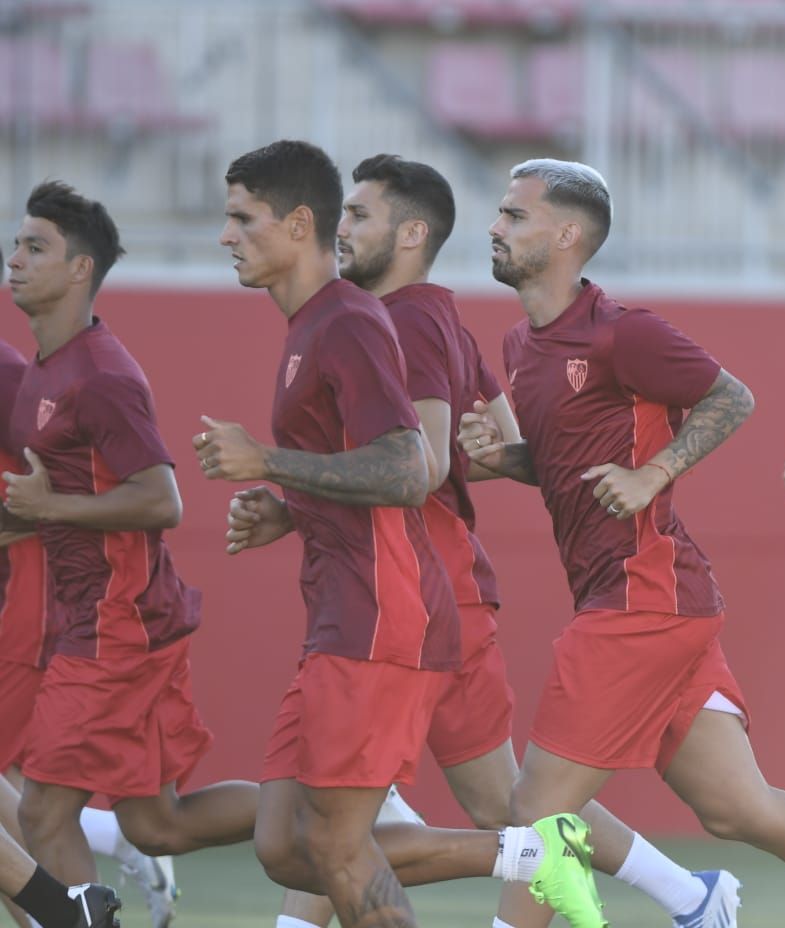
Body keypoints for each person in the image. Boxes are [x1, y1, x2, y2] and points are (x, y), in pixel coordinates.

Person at [460, 157, 785, 928]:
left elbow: (730, 397)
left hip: (642, 599)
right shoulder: (520, 344)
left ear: (567, 235)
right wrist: (502, 461)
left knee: (536, 810)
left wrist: (655, 471)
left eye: (514, 216)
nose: (495, 228)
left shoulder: (621, 334)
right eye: (500, 214)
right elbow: (570, 464)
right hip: (663, 600)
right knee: (741, 808)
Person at [274, 153, 734, 928]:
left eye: (357, 215)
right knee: (492, 803)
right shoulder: (452, 323)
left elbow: (416, 468)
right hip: (408, 584)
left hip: (416, 588)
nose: (339, 229)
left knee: (416, 813)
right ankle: (689, 895)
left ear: (411, 232)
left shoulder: (404, 320)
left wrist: (284, 478)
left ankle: (676, 894)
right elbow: (507, 451)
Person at [204, 140, 605, 928]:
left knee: (341, 846)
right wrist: (290, 504)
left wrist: (269, 460)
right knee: (286, 845)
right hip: (341, 613)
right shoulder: (324, 323)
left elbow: (409, 464)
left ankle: (547, 851)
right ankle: (535, 852)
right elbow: (402, 460)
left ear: (294, 225)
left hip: (378, 615)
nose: (225, 236)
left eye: (240, 218)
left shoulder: (355, 322)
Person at [2, 182, 259, 900]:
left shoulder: (102, 375)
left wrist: (50, 504)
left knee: (45, 811)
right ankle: (338, 811)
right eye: (16, 244)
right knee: (156, 826)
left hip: (116, 624)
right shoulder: (45, 370)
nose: (14, 259)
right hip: (108, 619)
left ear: (80, 269)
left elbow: (161, 499)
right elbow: (58, 507)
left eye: (35, 247)